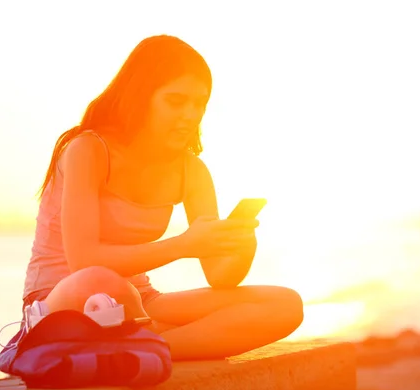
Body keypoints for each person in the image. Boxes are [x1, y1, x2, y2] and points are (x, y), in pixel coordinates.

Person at [22, 34, 304, 361]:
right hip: (65, 299)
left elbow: (219, 276)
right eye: (176, 101)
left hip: (141, 303)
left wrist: (241, 243)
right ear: (141, 97)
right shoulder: (89, 150)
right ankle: (149, 339)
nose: (190, 114)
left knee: (285, 304)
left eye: (200, 103)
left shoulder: (192, 171)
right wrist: (184, 245)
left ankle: (146, 348)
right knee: (101, 281)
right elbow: (83, 261)